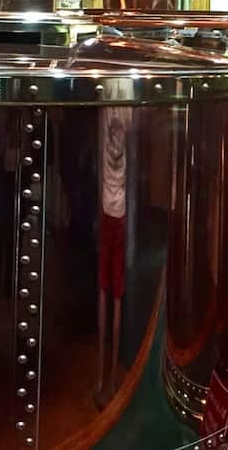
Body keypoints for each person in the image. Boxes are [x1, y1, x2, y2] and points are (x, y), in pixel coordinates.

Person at [96, 108, 132, 406]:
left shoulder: (105, 111)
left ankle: (102, 374)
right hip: (120, 213)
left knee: (104, 291)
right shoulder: (128, 111)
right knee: (115, 294)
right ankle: (112, 379)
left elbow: (101, 165)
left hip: (108, 211)